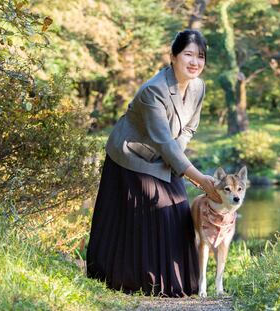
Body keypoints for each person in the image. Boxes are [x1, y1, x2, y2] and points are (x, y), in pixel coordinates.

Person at [86, 29, 221, 298]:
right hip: (132, 156)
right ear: (173, 56)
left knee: (179, 205)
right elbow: (164, 141)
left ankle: (179, 281)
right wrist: (199, 178)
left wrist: (175, 163)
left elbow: (189, 130)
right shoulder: (153, 91)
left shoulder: (198, 87)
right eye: (188, 55)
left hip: (166, 155)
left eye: (201, 56)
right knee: (161, 205)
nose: (195, 62)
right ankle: (136, 279)